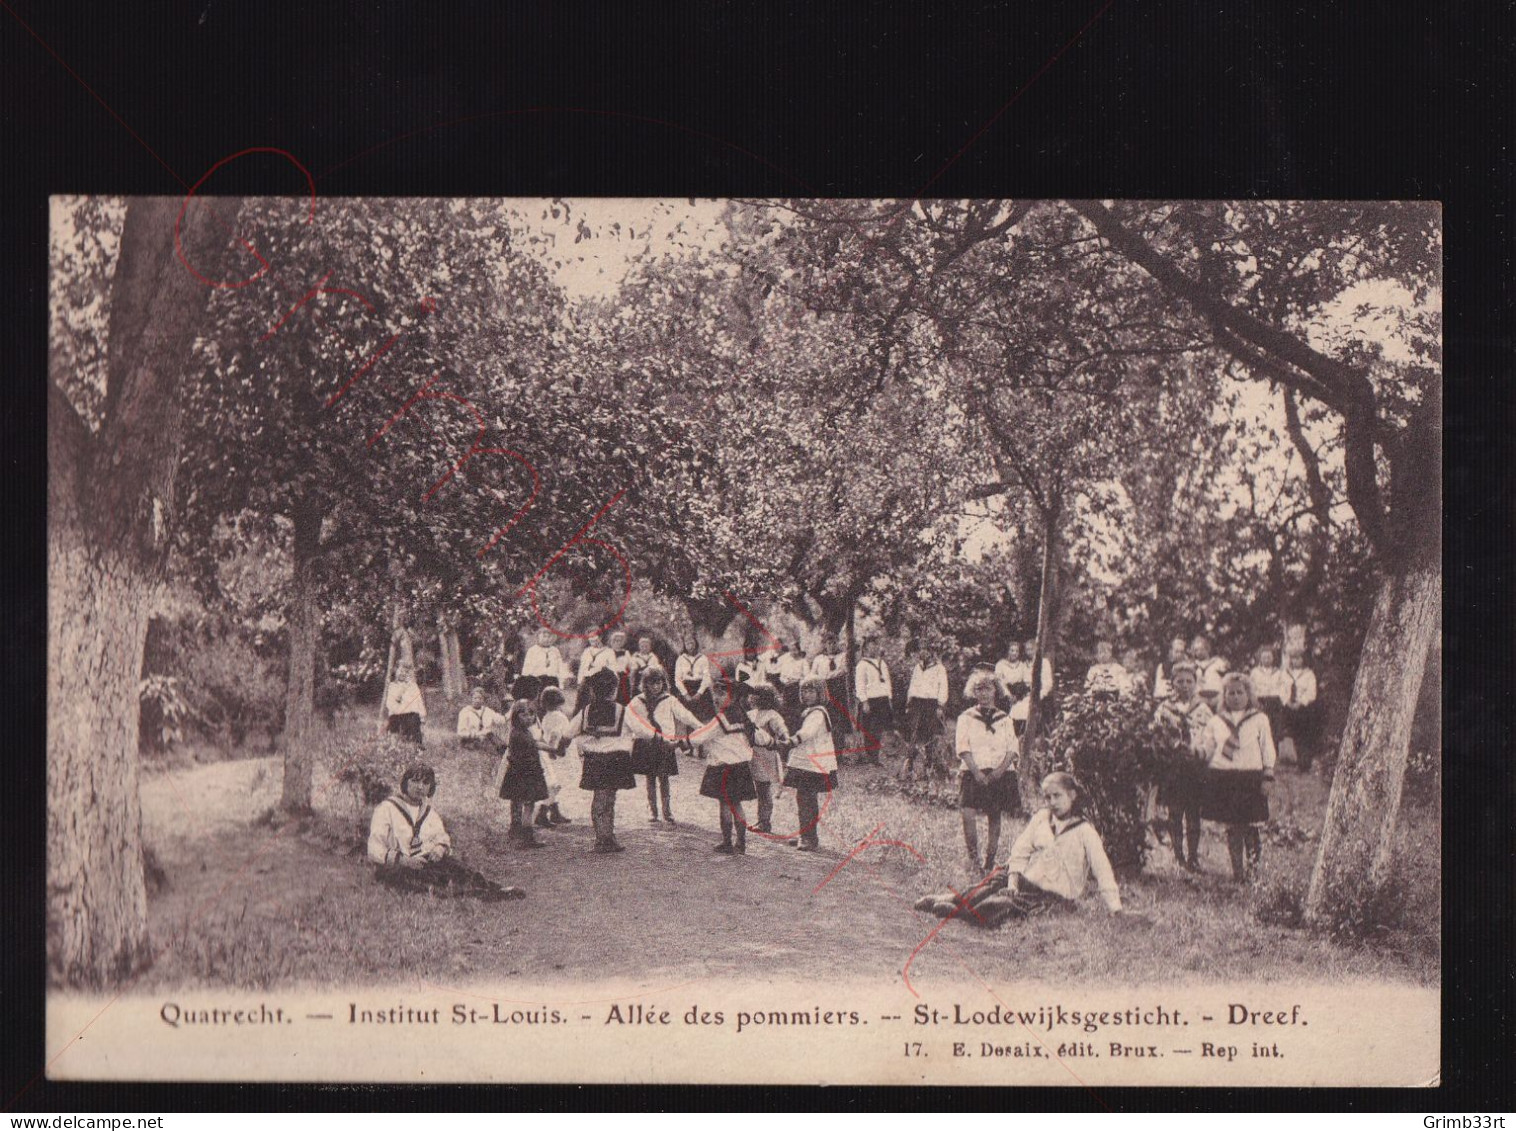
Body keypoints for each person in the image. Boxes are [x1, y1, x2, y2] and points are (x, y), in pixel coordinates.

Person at [916, 772, 1120, 926]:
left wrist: (1115, 908)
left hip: (1050, 894)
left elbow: (1103, 870)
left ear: (1073, 795)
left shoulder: (1085, 831)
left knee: (1000, 905)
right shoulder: (1042, 818)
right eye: (1048, 798)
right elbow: (1021, 850)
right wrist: (1013, 882)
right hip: (1024, 880)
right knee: (995, 881)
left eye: (1057, 796)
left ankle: (962, 913)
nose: (1052, 803)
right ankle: (954, 900)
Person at [368, 764, 523, 900]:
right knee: (431, 885)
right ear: (405, 782)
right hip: (399, 866)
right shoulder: (387, 808)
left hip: (424, 862)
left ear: (431, 787)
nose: (420, 787)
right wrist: (404, 860)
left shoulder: (428, 812)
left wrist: (439, 848)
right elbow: (374, 849)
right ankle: (477, 895)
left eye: (425, 783)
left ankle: (496, 890)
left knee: (460, 869)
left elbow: (441, 837)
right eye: (414, 781)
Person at [1200, 672, 1276, 883]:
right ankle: (1238, 873)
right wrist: (1199, 755)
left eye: (1239, 692)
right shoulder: (1216, 720)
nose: (1235, 697)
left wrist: (1267, 774)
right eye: (1230, 693)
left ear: (1248, 694)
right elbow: (1209, 746)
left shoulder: (1259, 719)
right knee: (1233, 827)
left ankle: (1253, 870)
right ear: (1224, 696)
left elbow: (1266, 746)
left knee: (1250, 826)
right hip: (1225, 777)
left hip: (1249, 777)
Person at [562, 668, 638, 853]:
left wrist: (560, 747)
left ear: (593, 690)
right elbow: (642, 730)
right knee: (609, 798)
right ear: (614, 690)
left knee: (600, 798)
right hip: (616, 760)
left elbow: (567, 734)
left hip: (595, 761)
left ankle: (603, 837)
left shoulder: (586, 711)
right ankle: (605, 837)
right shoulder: (623, 711)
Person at [955, 671, 1020, 875]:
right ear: (974, 692)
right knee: (967, 812)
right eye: (979, 689)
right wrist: (976, 772)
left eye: (988, 688)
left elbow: (1012, 749)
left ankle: (989, 860)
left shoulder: (1005, 719)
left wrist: (998, 772)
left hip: (1000, 773)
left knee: (995, 814)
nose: (983, 693)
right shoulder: (966, 718)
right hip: (973, 771)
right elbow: (963, 746)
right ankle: (973, 858)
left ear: (996, 691)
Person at [1153, 660, 1213, 871]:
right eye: (1180, 681)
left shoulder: (1203, 709)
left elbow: (1210, 736)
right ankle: (1178, 855)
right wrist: (1171, 745)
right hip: (1174, 768)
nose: (1185, 685)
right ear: (1172, 683)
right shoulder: (1165, 709)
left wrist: (1198, 750)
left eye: (1189, 681)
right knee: (1175, 812)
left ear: (1196, 683)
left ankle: (1193, 857)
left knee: (1194, 813)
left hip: (1195, 767)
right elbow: (1157, 735)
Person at [627, 668, 701, 825]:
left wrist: (700, 726)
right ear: (645, 684)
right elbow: (627, 718)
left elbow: (684, 714)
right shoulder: (638, 701)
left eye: (658, 682)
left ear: (663, 683)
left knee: (664, 777)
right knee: (650, 778)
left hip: (665, 743)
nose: (655, 687)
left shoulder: (669, 700)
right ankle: (652, 810)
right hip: (646, 743)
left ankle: (667, 811)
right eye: (651, 683)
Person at [700, 679, 760, 855]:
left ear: (733, 697)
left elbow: (701, 736)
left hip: (723, 768)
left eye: (721, 693)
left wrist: (681, 742)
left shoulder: (720, 719)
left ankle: (727, 842)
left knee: (725, 804)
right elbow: (758, 737)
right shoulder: (743, 717)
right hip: (741, 767)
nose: (716, 698)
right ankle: (741, 843)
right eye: (715, 694)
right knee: (737, 804)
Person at [783, 678, 840, 852]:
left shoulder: (818, 713)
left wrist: (792, 741)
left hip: (813, 764)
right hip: (806, 762)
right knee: (803, 799)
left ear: (820, 693)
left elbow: (807, 733)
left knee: (807, 800)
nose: (806, 695)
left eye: (810, 691)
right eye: (804, 691)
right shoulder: (809, 711)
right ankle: (805, 834)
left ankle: (810, 838)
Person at [498, 699, 551, 849]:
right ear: (516, 716)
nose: (528, 718)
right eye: (523, 715)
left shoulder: (524, 732)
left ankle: (523, 834)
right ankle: (521, 836)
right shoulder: (518, 734)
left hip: (523, 773)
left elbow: (535, 745)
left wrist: (551, 748)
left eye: (531, 714)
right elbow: (525, 752)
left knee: (524, 804)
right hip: (523, 773)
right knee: (523, 804)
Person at [747, 686, 791, 834]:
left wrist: (782, 743)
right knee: (759, 788)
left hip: (766, 754)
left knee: (764, 788)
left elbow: (784, 734)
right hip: (752, 754)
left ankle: (765, 821)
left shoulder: (773, 716)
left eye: (757, 696)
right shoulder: (751, 714)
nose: (753, 698)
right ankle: (761, 819)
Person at [902, 644, 949, 780]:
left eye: (926, 650)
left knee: (930, 734)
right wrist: (909, 702)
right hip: (917, 703)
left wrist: (940, 706)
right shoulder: (918, 667)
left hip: (931, 704)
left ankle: (929, 766)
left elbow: (943, 688)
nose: (923, 653)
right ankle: (909, 766)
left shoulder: (939, 669)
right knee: (914, 734)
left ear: (932, 652)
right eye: (921, 650)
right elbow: (913, 685)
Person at [533, 687, 573, 827]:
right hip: (556, 752)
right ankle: (542, 813)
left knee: (553, 782)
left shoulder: (546, 716)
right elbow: (556, 734)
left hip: (548, 752)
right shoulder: (559, 716)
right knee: (556, 783)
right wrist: (553, 750)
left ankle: (554, 811)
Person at [1278, 649, 1321, 771]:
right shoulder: (1285, 673)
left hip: (1304, 709)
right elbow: (1281, 689)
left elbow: (1311, 692)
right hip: (1289, 708)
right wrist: (1287, 702)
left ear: (1303, 660)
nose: (1295, 661)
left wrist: (1301, 702)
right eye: (1293, 658)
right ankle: (1295, 760)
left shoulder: (1309, 674)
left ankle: (1304, 763)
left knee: (1304, 735)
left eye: (1298, 658)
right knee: (1293, 734)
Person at [854, 637, 893, 765]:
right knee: (869, 730)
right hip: (870, 700)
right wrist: (864, 701)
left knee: (878, 729)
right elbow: (860, 684)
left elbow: (887, 682)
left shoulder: (882, 663)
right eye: (871, 646)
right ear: (865, 648)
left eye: (876, 645)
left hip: (882, 699)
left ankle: (875, 757)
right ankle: (871, 758)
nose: (874, 648)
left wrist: (889, 698)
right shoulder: (862, 665)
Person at [674, 634, 716, 725]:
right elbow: (677, 679)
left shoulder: (703, 658)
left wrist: (699, 693)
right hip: (686, 689)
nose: (690, 645)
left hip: (700, 690)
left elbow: (706, 677)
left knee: (705, 721)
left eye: (692, 643)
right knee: (686, 720)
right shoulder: (681, 659)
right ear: (684, 645)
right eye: (687, 643)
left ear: (696, 644)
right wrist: (685, 694)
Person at [383, 660, 427, 747]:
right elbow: (390, 704)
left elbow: (419, 702)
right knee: (394, 720)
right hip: (397, 714)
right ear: (395, 672)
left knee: (414, 719)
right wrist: (402, 689)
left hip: (410, 715)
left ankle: (416, 744)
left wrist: (423, 715)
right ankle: (394, 744)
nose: (403, 674)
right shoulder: (393, 686)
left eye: (406, 672)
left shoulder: (413, 686)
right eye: (401, 671)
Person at [1249, 645, 1286, 745]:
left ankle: (1275, 751)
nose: (1266, 660)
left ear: (1273, 658)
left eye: (1269, 657)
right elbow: (1252, 688)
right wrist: (1255, 701)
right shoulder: (1255, 672)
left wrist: (1281, 699)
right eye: (1264, 657)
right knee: (1261, 725)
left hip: (1275, 702)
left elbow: (1283, 686)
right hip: (1261, 701)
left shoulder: (1278, 672)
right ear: (1260, 659)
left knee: (1275, 727)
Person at [456, 686, 508, 750]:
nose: (477, 701)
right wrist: (476, 735)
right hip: (471, 739)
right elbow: (461, 733)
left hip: (486, 738)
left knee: (491, 735)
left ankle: (502, 749)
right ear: (471, 699)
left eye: (480, 698)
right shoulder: (465, 712)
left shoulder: (487, 711)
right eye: (475, 698)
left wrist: (511, 712)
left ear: (483, 699)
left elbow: (501, 720)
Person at [775, 640, 808, 728]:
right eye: (791, 650)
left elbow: (806, 676)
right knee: (787, 709)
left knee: (798, 709)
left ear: (799, 650)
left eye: (795, 650)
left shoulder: (803, 662)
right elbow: (782, 676)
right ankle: (790, 727)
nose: (793, 652)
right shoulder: (787, 662)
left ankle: (799, 727)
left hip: (798, 687)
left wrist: (797, 681)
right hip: (787, 687)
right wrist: (786, 681)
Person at [1191, 634, 1229, 707]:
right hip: (1201, 696)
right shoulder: (1194, 665)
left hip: (1216, 695)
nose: (1199, 652)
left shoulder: (1217, 661)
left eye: (1202, 649)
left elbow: (1225, 673)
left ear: (1207, 649)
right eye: (1196, 650)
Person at [627, 633, 667, 698]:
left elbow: (656, 669)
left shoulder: (653, 657)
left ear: (650, 647)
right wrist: (632, 685)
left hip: (650, 679)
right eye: (642, 646)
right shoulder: (635, 657)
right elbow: (633, 672)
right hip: (639, 680)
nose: (644, 648)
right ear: (639, 646)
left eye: (646, 646)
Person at [1151, 636, 1190, 700]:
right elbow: (1158, 690)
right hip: (1166, 699)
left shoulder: (1188, 668)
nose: (1179, 655)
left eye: (1182, 652)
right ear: (1171, 651)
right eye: (1177, 651)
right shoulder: (1162, 667)